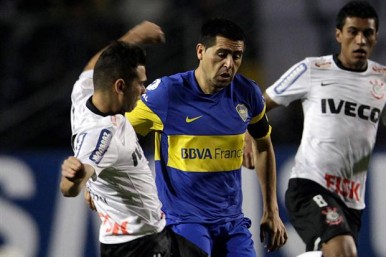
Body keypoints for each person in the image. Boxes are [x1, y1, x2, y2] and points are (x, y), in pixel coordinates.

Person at [126, 18, 288, 257]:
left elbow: (263, 146)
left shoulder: (248, 94)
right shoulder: (167, 94)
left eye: (237, 56)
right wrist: (96, 173)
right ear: (200, 51)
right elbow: (118, 134)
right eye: (221, 54)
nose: (229, 64)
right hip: (183, 221)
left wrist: (271, 210)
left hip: (232, 223)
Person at [245, 1, 386, 257]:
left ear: (376, 36)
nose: (360, 40)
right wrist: (245, 134)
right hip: (310, 186)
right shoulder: (313, 69)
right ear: (339, 34)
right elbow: (261, 103)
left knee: (333, 252)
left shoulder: (382, 79)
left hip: (352, 200)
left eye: (368, 33)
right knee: (343, 250)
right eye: (353, 31)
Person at [60, 21, 207, 257]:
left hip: (154, 233)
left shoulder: (84, 94)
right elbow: (69, 188)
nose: (144, 89)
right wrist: (78, 178)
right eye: (139, 83)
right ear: (120, 86)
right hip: (137, 246)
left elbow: (92, 67)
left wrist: (133, 36)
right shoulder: (103, 135)